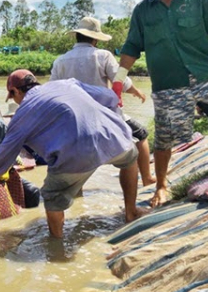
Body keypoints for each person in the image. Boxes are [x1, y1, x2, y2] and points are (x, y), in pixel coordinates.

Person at [0, 70, 148, 238]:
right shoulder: (67, 83)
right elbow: (109, 97)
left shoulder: (22, 114)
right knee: (130, 158)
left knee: (52, 197)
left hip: (75, 156)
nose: (16, 102)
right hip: (114, 138)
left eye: (13, 98)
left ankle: (57, 246)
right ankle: (131, 212)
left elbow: (5, 152)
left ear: (15, 92)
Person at [113, 0, 208, 207]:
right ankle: (161, 185)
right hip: (168, 83)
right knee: (164, 137)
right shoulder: (143, 11)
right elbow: (131, 48)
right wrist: (117, 82)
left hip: (206, 74)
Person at [50, 16, 155, 186]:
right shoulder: (103, 56)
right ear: (95, 39)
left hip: (75, 121)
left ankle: (78, 198)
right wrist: (137, 92)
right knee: (141, 134)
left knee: (76, 167)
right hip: (105, 117)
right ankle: (147, 178)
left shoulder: (60, 61)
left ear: (77, 36)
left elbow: (53, 92)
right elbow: (121, 81)